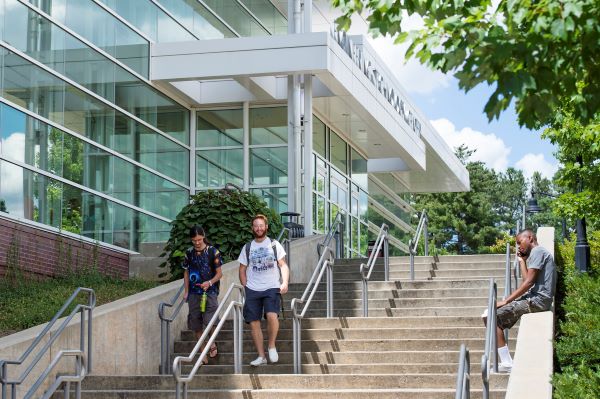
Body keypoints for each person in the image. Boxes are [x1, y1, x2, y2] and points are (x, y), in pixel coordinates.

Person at [484, 228, 556, 373]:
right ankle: (506, 362)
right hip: (536, 298)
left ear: (530, 238)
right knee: (488, 316)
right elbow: (527, 280)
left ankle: (507, 363)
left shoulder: (538, 252)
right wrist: (522, 261)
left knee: (491, 317)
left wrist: (506, 301)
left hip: (537, 300)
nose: (518, 246)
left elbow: (528, 283)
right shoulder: (537, 254)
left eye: (519, 242)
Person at [238, 214, 289, 366]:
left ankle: (271, 345)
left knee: (272, 315)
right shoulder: (247, 247)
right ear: (252, 228)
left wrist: (284, 282)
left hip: (271, 286)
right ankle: (261, 356)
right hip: (253, 288)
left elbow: (283, 265)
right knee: (254, 322)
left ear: (266, 227)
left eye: (261, 225)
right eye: (256, 226)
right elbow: (242, 269)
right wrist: (246, 285)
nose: (259, 228)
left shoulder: (274, 244)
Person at [182, 225, 223, 363]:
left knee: (210, 321)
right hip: (194, 293)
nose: (197, 243)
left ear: (203, 236)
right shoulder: (189, 253)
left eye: (199, 239)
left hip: (210, 292)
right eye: (194, 240)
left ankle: (212, 343)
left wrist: (210, 283)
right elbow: (186, 272)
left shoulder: (213, 252)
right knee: (196, 324)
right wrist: (186, 291)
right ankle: (202, 351)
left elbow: (219, 274)